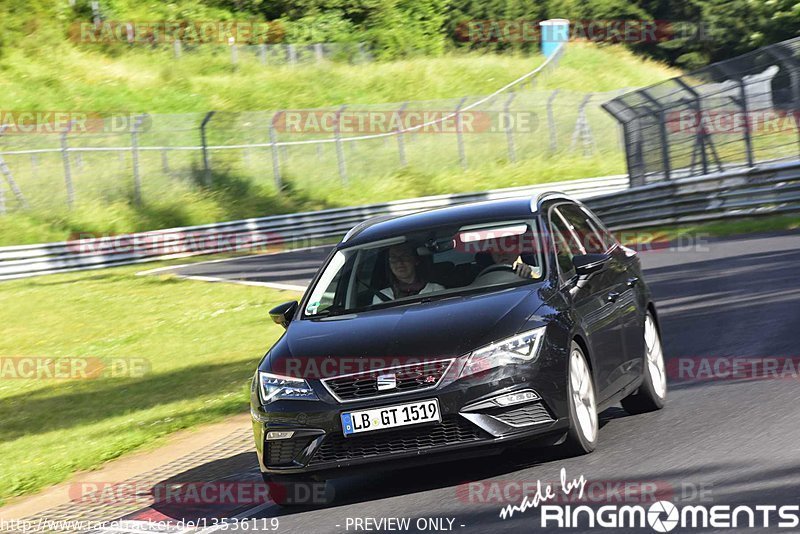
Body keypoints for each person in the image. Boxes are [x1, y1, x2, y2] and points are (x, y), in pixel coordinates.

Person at [373, 243, 444, 303]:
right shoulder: (381, 297)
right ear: (389, 264)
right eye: (394, 258)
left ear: (416, 260)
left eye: (405, 256)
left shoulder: (435, 290)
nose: (399, 262)